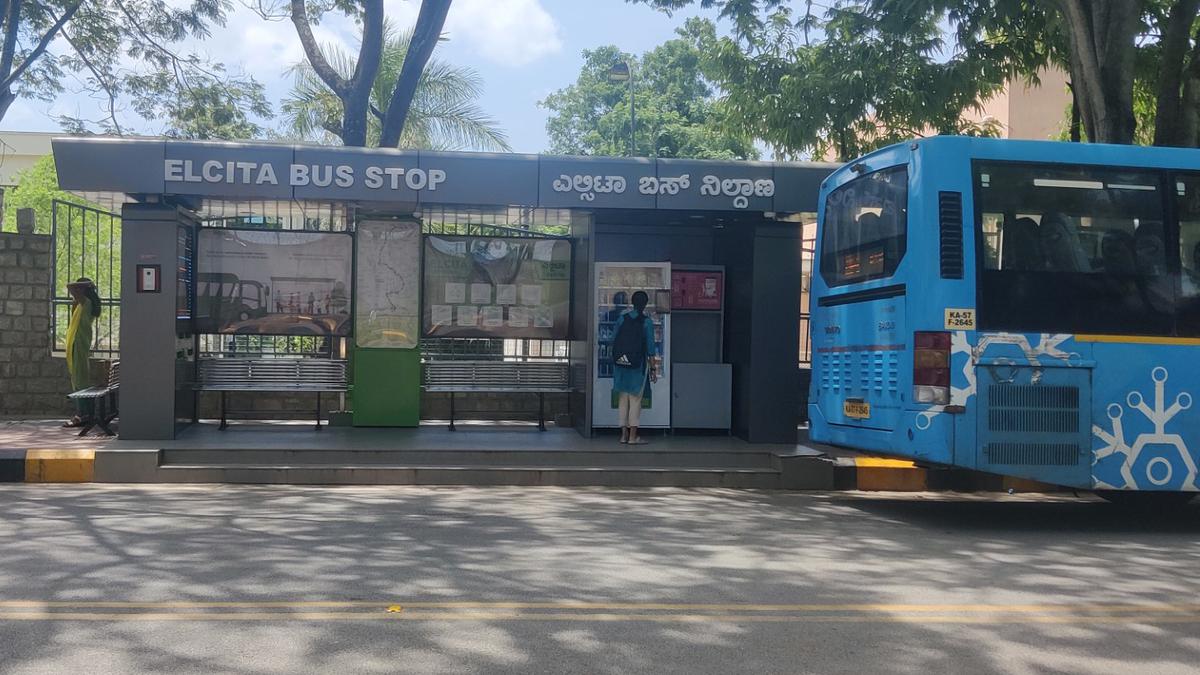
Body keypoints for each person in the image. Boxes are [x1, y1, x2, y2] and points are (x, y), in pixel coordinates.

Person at [611, 290, 657, 445]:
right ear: (645, 304)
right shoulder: (647, 322)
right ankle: (633, 436)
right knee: (635, 400)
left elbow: (613, 339)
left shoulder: (622, 319)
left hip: (621, 365)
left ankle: (623, 435)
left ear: (632, 302)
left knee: (623, 400)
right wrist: (653, 370)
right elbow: (651, 349)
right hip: (638, 366)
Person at [63, 278, 101, 428]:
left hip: (79, 344)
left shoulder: (87, 302)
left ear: (84, 290)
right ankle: (83, 413)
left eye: (79, 289)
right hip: (77, 344)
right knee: (77, 380)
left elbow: (69, 286)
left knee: (80, 382)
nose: (75, 292)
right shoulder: (82, 303)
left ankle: (82, 415)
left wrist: (86, 285)